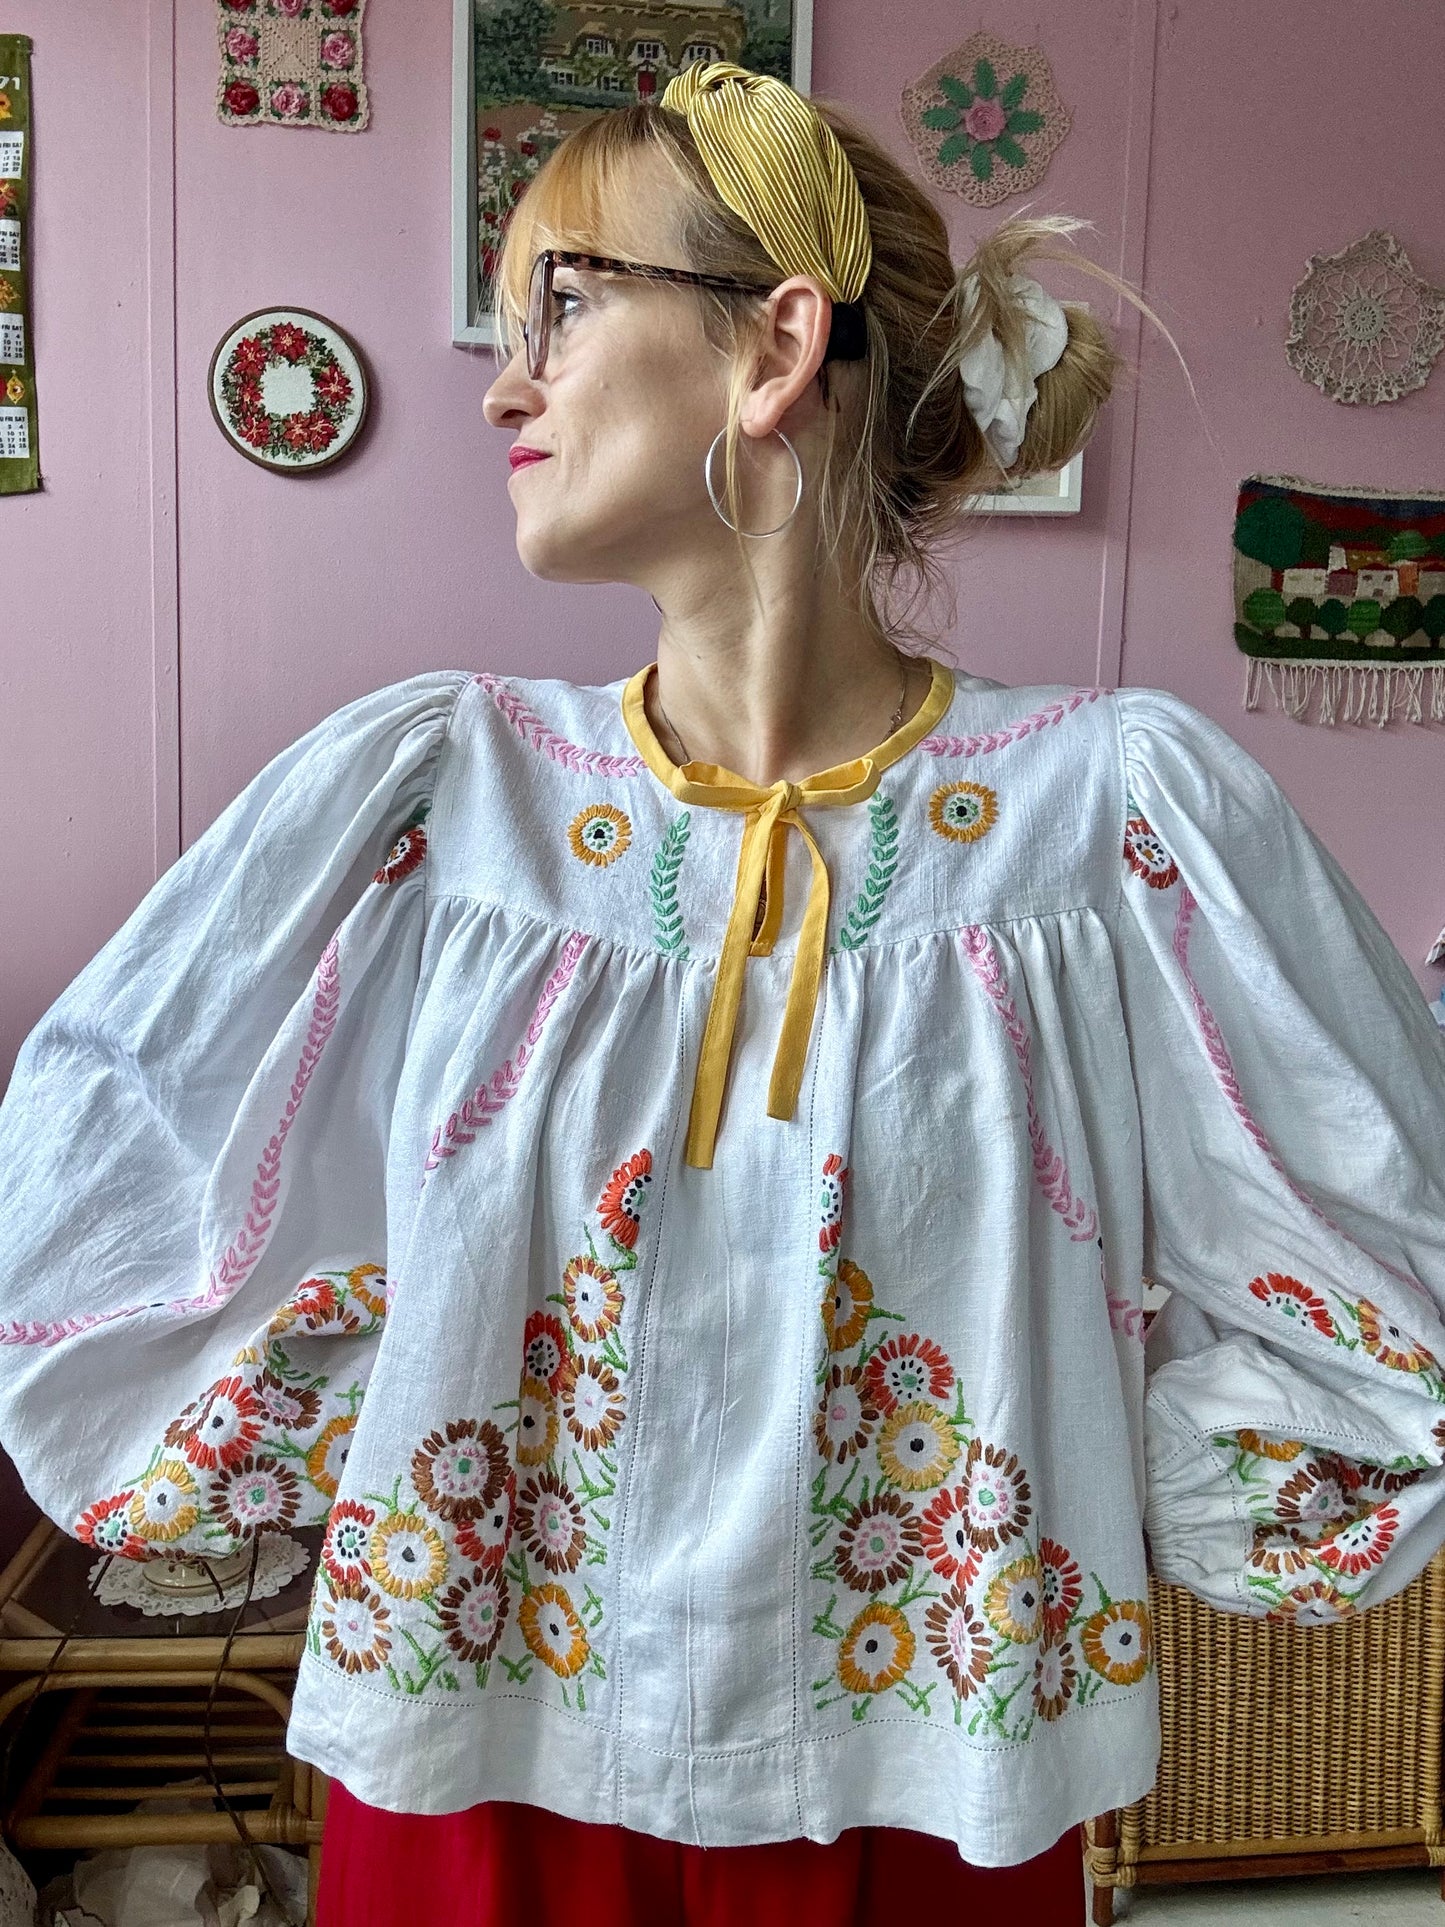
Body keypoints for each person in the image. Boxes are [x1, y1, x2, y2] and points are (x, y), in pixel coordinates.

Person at [2, 58, 1444, 1927]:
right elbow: (99, 1180)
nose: (506, 381)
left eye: (565, 305)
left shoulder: (1111, 830)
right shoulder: (439, 809)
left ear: (773, 347)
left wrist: (1109, 1470)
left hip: (921, 1780)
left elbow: (1384, 1253)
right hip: (478, 1762)